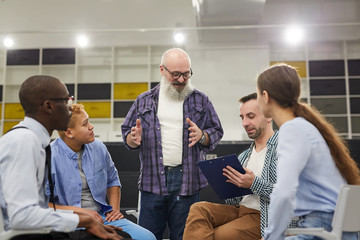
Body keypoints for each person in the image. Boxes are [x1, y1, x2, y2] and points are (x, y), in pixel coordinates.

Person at [0, 75, 126, 239]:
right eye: (67, 100)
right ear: (49, 106)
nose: (70, 107)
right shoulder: (25, 141)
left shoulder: (34, 140)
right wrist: (84, 221)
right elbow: (21, 216)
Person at [121, 48, 223, 240]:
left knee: (184, 236)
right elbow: (127, 134)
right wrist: (133, 139)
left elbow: (216, 132)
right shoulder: (144, 101)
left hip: (187, 182)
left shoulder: (200, 100)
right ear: (162, 70)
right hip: (152, 182)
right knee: (147, 236)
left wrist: (202, 135)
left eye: (186, 73)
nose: (182, 79)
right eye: (175, 74)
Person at [256, 64, 360, 240]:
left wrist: (271, 237)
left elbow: (284, 192)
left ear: (265, 96)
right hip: (333, 226)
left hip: (322, 226)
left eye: (257, 94)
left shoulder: (292, 129)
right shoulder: (306, 127)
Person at [49, 103, 156, 240]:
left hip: (102, 217)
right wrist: (83, 213)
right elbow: (44, 205)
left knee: (148, 237)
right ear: (69, 132)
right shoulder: (49, 156)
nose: (91, 126)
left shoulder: (98, 147)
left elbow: (112, 180)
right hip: (70, 222)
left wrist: (114, 209)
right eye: (85, 123)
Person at [183, 92, 278, 240]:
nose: (245, 123)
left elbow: (290, 194)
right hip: (240, 211)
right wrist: (228, 185)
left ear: (268, 116)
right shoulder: (244, 156)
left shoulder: (282, 148)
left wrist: (254, 183)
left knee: (218, 235)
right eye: (242, 117)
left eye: (251, 116)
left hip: (265, 216)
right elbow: (234, 202)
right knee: (198, 208)